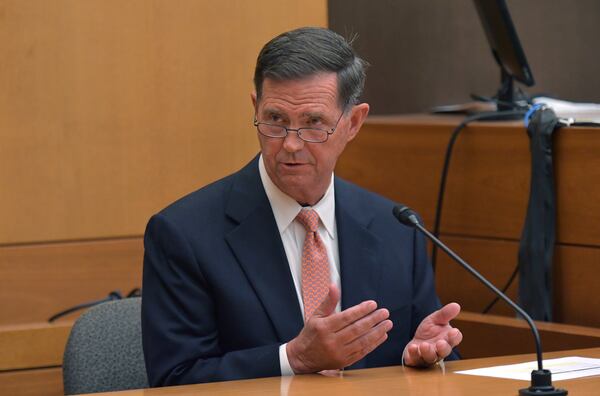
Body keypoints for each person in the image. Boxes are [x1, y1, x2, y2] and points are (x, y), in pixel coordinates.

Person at [142, 26, 462, 387]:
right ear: (256, 108)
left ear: (353, 122)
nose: (291, 145)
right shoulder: (184, 234)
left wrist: (419, 355)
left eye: (313, 124)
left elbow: (424, 353)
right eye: (276, 120)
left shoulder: (396, 227)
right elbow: (174, 380)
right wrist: (293, 359)